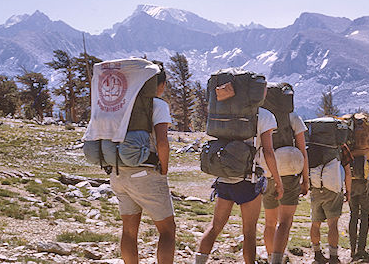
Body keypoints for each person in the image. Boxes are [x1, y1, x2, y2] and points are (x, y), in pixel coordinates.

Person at [195, 106, 284, 264]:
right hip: (248, 180)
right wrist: (278, 180)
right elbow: (268, 152)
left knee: (215, 227)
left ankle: (199, 261)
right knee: (249, 231)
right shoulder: (264, 115)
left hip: (224, 176)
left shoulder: (224, 110)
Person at [110, 63, 176, 264]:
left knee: (129, 231)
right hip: (145, 174)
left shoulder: (120, 104)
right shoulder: (158, 105)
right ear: (161, 85)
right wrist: (163, 169)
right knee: (167, 230)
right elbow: (162, 143)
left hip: (117, 172)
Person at [262, 112, 309, 264]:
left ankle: (270, 259)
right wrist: (305, 179)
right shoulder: (293, 117)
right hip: (289, 171)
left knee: (269, 222)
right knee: (285, 221)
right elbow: (303, 151)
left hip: (267, 171)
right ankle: (277, 260)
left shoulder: (261, 115)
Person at [310, 144, 352, 264]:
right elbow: (348, 173)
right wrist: (348, 191)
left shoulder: (313, 144)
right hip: (333, 188)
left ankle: (317, 254)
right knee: (332, 223)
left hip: (316, 187)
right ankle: (333, 257)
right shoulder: (341, 146)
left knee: (315, 223)